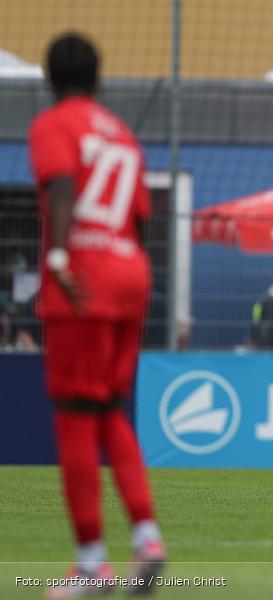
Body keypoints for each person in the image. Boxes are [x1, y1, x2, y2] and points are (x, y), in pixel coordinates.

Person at [28, 32, 165, 597]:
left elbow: (61, 184)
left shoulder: (53, 124)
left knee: (74, 417)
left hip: (81, 277)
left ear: (48, 78)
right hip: (130, 273)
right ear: (100, 77)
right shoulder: (123, 136)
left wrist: (59, 254)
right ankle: (147, 538)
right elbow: (141, 219)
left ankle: (91, 564)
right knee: (111, 410)